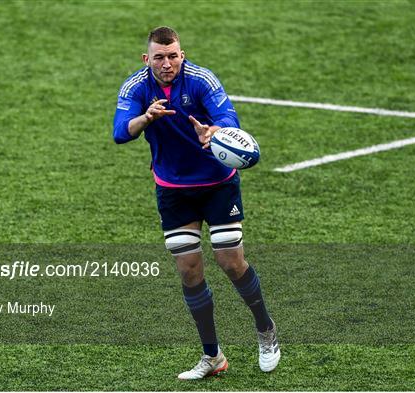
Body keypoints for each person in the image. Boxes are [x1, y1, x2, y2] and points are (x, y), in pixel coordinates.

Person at [113, 26, 280, 380]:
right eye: (159, 57)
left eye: (173, 55)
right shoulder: (136, 87)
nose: (167, 62)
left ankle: (266, 331)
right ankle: (212, 357)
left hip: (217, 185)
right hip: (173, 190)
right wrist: (147, 118)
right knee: (189, 270)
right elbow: (119, 132)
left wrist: (214, 132)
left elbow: (228, 117)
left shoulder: (202, 80)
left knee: (230, 261)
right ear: (147, 59)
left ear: (182, 54)